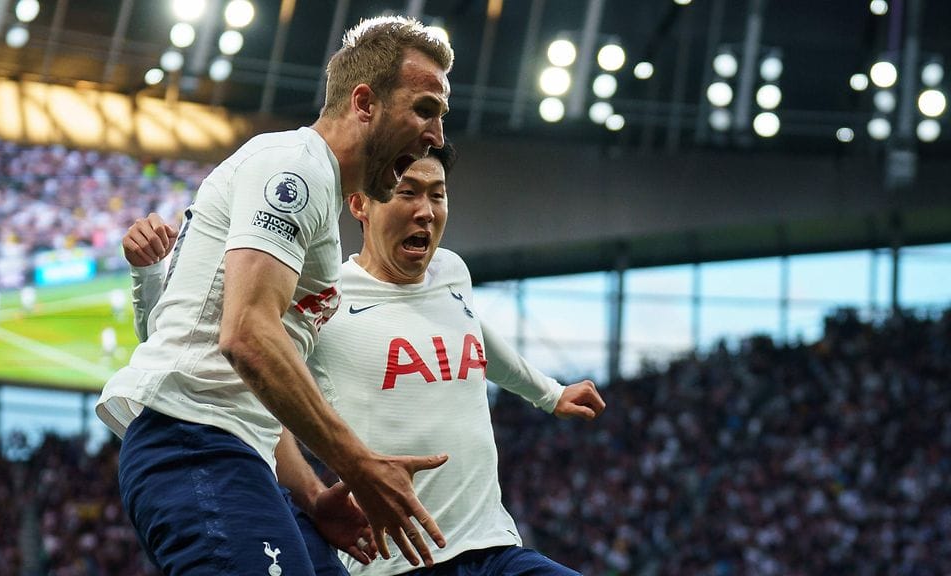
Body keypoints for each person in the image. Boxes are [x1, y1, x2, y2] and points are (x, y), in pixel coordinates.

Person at [123, 144, 606, 575]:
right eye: (408, 193)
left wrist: (550, 393)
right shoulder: (324, 295)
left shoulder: (451, 272)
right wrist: (148, 277)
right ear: (360, 204)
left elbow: (475, 334)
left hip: (492, 548)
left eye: (437, 195)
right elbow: (239, 386)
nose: (426, 211)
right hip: (394, 563)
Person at [96, 16, 454, 575]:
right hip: (194, 445)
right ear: (364, 102)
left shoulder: (319, 195)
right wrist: (358, 465)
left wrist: (313, 496)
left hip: (236, 454)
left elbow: (254, 378)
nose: (436, 135)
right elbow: (247, 337)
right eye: (425, 109)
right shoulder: (295, 168)